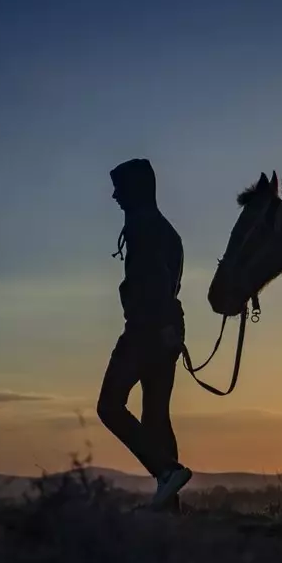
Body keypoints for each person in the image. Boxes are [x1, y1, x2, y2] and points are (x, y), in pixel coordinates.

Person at [96, 157, 192, 510]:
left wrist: (158, 324)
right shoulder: (165, 230)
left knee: (109, 406)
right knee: (155, 416)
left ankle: (167, 471)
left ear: (136, 190)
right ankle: (169, 505)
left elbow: (155, 283)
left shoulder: (144, 229)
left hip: (145, 330)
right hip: (165, 329)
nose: (114, 196)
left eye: (120, 188)